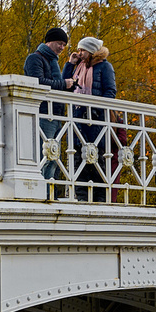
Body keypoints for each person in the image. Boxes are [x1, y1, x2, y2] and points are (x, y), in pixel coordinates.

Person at [65, 37, 116, 202]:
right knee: (79, 158)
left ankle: (100, 200)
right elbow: (64, 84)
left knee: (96, 158)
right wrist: (70, 64)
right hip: (78, 118)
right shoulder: (79, 67)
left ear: (92, 50)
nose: (80, 53)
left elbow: (110, 91)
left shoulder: (104, 66)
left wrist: (96, 109)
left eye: (82, 50)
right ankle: (82, 198)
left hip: (96, 120)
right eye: (79, 50)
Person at [23, 26, 69, 198]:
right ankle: (41, 193)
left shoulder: (54, 61)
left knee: (54, 156)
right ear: (49, 41)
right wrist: (64, 84)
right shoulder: (35, 58)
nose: (62, 48)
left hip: (56, 114)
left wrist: (70, 66)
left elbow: (58, 84)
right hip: (42, 113)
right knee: (44, 155)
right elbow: (39, 83)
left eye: (64, 45)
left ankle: (50, 193)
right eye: (59, 43)